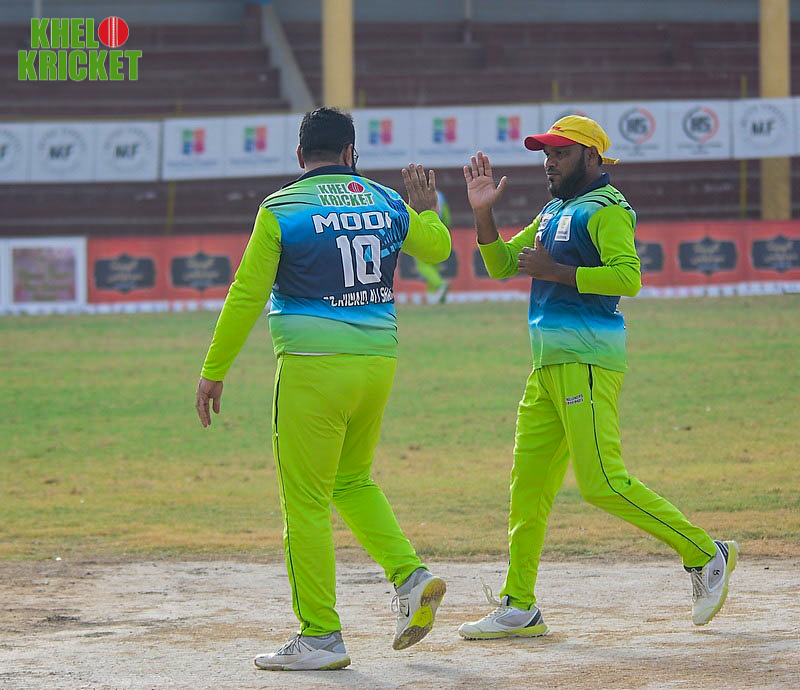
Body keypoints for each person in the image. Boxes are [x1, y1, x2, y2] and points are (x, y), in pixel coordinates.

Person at [458, 115, 738, 640]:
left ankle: (706, 552)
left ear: (591, 156)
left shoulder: (608, 208)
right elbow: (501, 265)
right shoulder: (552, 211)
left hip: (587, 363)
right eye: (546, 154)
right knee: (528, 488)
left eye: (560, 153)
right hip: (547, 367)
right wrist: (482, 214)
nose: (549, 163)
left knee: (603, 483)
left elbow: (628, 277)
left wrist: (556, 272)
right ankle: (519, 605)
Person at [195, 108, 449, 671]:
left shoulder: (282, 208)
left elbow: (246, 294)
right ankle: (411, 578)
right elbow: (437, 249)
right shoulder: (387, 201)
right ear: (351, 153)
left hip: (312, 368)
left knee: (305, 502)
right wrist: (427, 209)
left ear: (300, 156)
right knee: (351, 481)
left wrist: (215, 369)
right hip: (377, 363)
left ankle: (320, 636)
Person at [412, 190, 452, 303]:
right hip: (439, 232)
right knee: (434, 267)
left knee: (423, 266)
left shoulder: (419, 195)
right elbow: (446, 217)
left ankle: (440, 285)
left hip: (424, 231)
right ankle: (433, 296)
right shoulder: (440, 196)